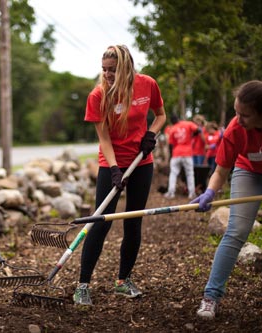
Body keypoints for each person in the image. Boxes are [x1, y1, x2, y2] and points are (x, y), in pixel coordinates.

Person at [192, 79, 262, 320]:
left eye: (245, 115)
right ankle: (211, 297)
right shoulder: (235, 129)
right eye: (236, 112)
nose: (238, 119)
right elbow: (220, 171)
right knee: (236, 230)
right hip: (248, 170)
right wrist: (210, 193)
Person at [73, 45, 166, 306]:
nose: (107, 74)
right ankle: (82, 285)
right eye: (103, 69)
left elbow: (160, 115)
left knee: (133, 222)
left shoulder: (147, 84)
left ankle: (123, 281)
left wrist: (151, 134)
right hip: (111, 163)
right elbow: (103, 138)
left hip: (141, 163)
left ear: (126, 67)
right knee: (100, 223)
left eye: (112, 69)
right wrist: (114, 169)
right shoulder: (98, 95)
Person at [163, 114, 199, 199]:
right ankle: (191, 193)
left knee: (173, 173)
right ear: (178, 118)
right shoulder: (188, 124)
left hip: (176, 153)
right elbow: (198, 130)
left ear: (171, 122)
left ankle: (171, 193)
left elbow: (170, 145)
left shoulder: (172, 129)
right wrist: (192, 136)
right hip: (187, 153)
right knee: (190, 173)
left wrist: (171, 156)